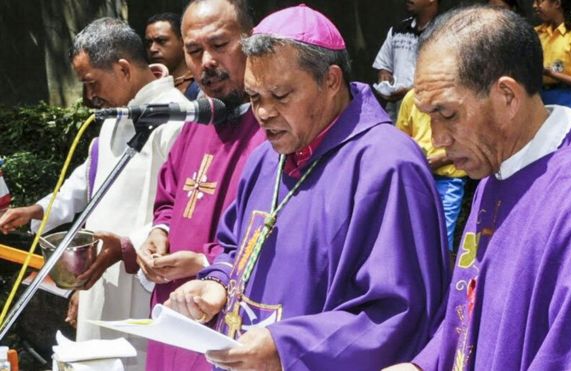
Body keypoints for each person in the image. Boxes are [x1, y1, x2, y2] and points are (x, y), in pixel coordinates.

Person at [165, 4, 450, 370]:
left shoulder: (388, 166)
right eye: (254, 98)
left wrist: (287, 347)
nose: (264, 113)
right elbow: (234, 246)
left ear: (331, 81)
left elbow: (400, 313)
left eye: (280, 96)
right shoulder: (267, 158)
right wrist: (217, 283)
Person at [386, 5, 571, 371]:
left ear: (507, 97)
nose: (437, 139)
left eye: (447, 114)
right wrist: (421, 365)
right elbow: (472, 321)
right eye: (428, 117)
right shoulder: (496, 174)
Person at [0, 18, 187, 370]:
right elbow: (89, 175)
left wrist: (130, 246)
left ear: (123, 69)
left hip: (142, 280)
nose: (89, 97)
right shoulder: (116, 115)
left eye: (92, 83)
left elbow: (182, 210)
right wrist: (38, 210)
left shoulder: (175, 119)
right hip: (100, 271)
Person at [134, 0, 266, 370]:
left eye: (220, 45)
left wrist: (206, 262)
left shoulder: (273, 130)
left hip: (229, 312)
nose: (206, 61)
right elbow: (169, 199)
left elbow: (276, 229)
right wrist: (157, 233)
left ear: (250, 41)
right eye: (194, 51)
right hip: (172, 305)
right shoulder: (196, 122)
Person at [397, 89, 466, 250]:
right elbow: (401, 137)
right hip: (416, 175)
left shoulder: (459, 96)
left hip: (448, 178)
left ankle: (443, 274)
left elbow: (470, 141)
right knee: (413, 234)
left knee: (443, 238)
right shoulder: (412, 97)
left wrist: (442, 158)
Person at [372, 0, 439, 121]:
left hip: (427, 114)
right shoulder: (398, 30)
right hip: (396, 111)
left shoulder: (444, 32)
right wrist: (385, 80)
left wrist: (409, 91)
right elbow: (384, 66)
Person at [533, 0, 571, 113]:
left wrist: (552, 74)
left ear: (557, 3)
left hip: (570, 102)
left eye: (539, 1)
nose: (535, 6)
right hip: (541, 100)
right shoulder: (535, 34)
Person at [145, 12, 201, 100]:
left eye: (161, 41)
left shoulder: (202, 85)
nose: (152, 49)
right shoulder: (148, 88)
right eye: (149, 43)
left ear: (183, 42)